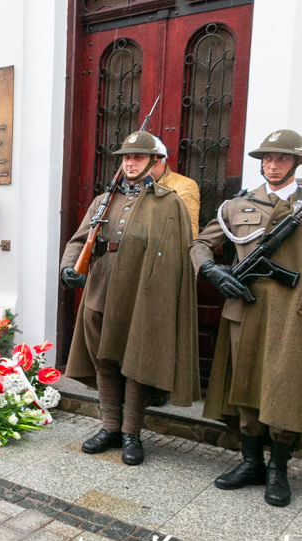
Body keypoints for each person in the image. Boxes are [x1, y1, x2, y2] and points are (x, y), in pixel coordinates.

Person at [59, 130, 199, 466]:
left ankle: (132, 434)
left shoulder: (169, 203)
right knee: (104, 360)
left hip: (141, 296)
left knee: (136, 362)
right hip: (101, 291)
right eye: (125, 157)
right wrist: (68, 267)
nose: (130, 163)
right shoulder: (103, 200)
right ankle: (110, 428)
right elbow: (80, 240)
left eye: (137, 157)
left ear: (154, 162)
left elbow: (177, 256)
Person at [191, 128, 302, 507]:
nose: (272, 165)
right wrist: (211, 271)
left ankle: (278, 469)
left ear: (295, 162)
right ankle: (251, 461)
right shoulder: (235, 207)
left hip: (293, 313)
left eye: (282, 158)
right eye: (267, 159)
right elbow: (201, 243)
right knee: (246, 386)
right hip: (247, 307)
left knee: (284, 389)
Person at [150, 137, 200, 238]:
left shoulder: (185, 186)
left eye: (138, 158)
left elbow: (189, 232)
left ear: (156, 161)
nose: (131, 164)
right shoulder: (130, 184)